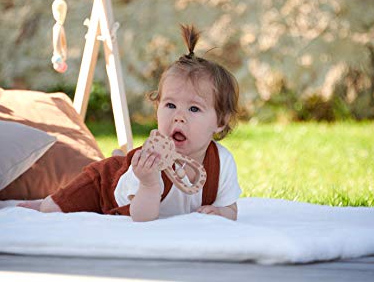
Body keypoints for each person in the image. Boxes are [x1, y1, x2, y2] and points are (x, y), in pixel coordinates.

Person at [18, 24, 241, 222]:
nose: (178, 117)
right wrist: (149, 184)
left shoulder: (222, 163)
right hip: (105, 187)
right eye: (170, 105)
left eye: (193, 109)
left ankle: (118, 156)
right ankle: (44, 202)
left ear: (220, 121)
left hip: (127, 186)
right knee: (54, 209)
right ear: (158, 107)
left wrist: (221, 213)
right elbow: (141, 217)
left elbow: (230, 208)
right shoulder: (149, 160)